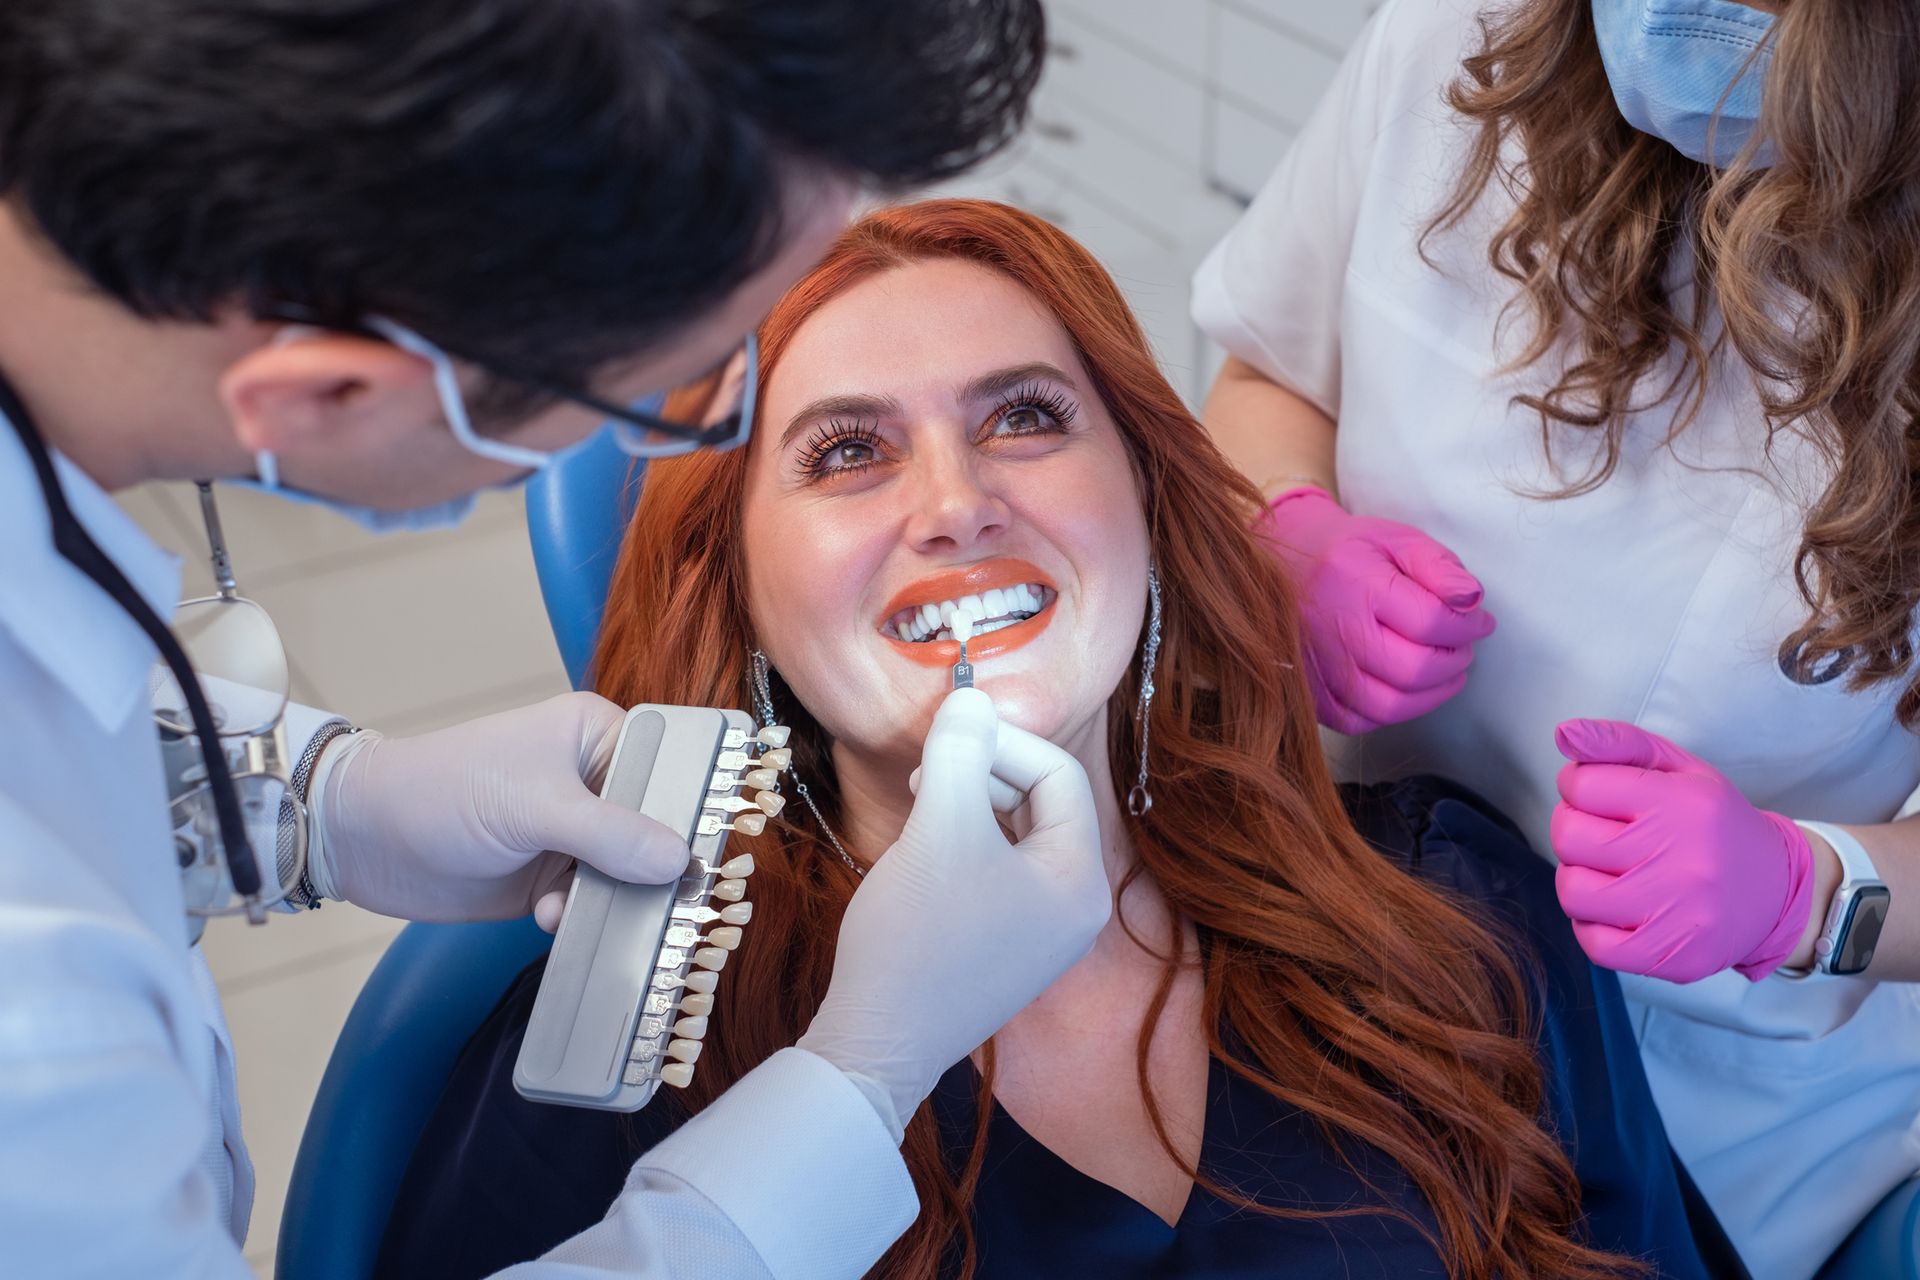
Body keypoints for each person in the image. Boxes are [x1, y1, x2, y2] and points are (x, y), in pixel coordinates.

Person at [376, 198, 1739, 1280]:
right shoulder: (633, 1049)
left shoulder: (1450, 905)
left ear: (1151, 512)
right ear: (738, 594)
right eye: (848, 451)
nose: (958, 503)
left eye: (1025, 417)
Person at [0, 4, 1128, 1278]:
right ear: (326, 394)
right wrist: (861, 1074)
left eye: (1028, 416)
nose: (956, 506)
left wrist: (313, 801)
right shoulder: (37, 1028)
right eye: (700, 384)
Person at [1190, 0, 1920, 1274]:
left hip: (1722, 1105)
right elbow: (1268, 378)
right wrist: (1287, 539)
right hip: (1350, 944)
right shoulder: (1456, 37)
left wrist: (1799, 890)